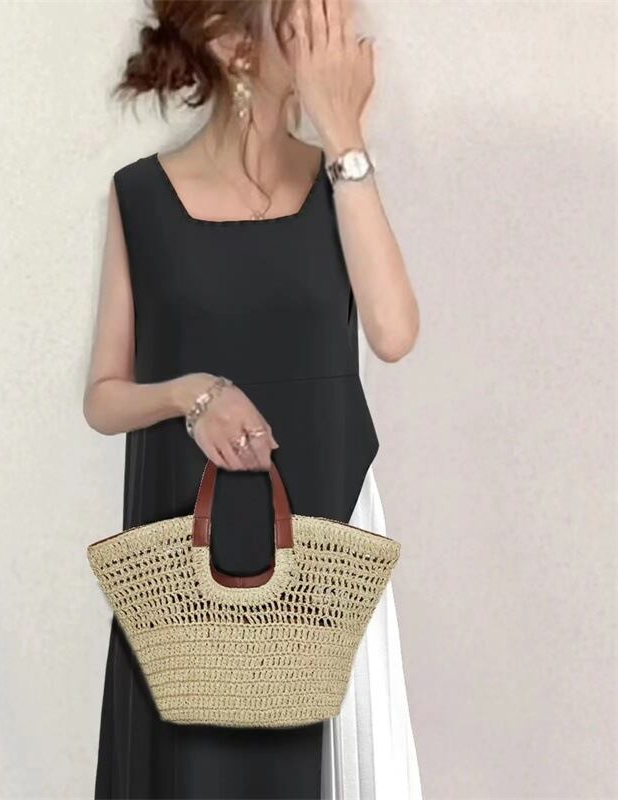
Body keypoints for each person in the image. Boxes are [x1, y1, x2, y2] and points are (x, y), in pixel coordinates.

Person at [83, 0, 422, 797]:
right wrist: (191, 394)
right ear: (236, 46)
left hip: (320, 561)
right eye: (310, 17)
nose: (341, 32)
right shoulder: (140, 197)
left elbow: (394, 332)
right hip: (184, 565)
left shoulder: (341, 183)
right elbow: (103, 398)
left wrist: (344, 135)